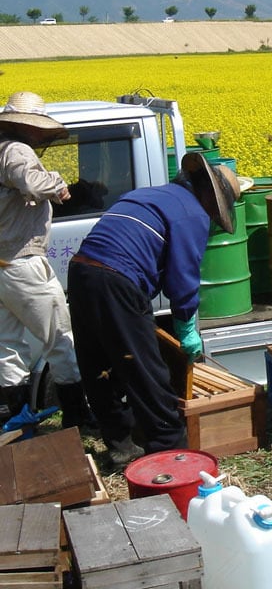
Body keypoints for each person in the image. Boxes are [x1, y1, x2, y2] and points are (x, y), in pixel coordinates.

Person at [67, 152, 241, 466]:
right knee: (147, 372)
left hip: (81, 272)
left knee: (99, 365)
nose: (213, 216)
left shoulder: (149, 194)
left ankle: (121, 444)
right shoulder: (192, 213)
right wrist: (187, 328)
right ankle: (170, 452)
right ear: (209, 194)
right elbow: (183, 277)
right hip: (117, 279)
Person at [0, 91, 95, 429]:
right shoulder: (16, 150)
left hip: (3, 265)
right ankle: (78, 416)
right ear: (31, 126)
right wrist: (56, 182)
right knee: (60, 337)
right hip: (22, 262)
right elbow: (31, 180)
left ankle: (20, 420)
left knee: (8, 345)